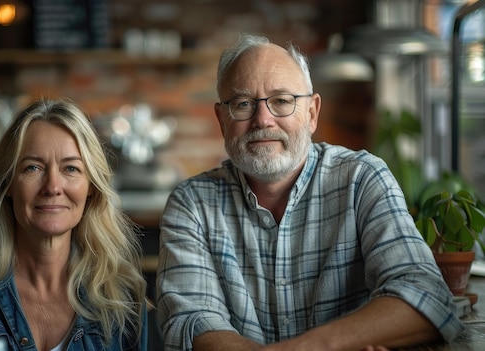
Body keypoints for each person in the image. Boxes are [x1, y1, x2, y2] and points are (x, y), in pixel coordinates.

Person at [155, 33, 465, 351]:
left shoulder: (362, 178)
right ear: (222, 120)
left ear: (312, 113)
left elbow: (427, 296)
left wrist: (307, 347)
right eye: (243, 104)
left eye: (282, 101)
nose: (263, 119)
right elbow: (190, 324)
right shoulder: (192, 202)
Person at [0, 99, 147, 351]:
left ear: (91, 187)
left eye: (70, 168)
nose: (52, 187)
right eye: (33, 167)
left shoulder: (124, 296)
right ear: (8, 185)